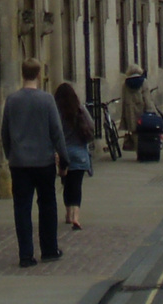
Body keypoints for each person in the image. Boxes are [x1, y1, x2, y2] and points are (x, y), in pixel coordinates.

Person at [0, 58, 68, 268]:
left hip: (19, 163)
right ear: (39, 75)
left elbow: (5, 133)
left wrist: (11, 154)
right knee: (47, 204)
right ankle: (49, 250)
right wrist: (64, 158)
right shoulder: (46, 100)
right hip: (43, 162)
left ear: (23, 74)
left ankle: (26, 255)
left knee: (22, 208)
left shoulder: (12, 100)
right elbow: (57, 132)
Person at [54, 82, 95, 230]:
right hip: (80, 154)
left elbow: (54, 132)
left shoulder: (57, 112)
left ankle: (68, 213)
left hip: (64, 154)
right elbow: (91, 125)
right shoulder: (80, 109)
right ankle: (76, 216)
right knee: (77, 185)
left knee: (67, 185)